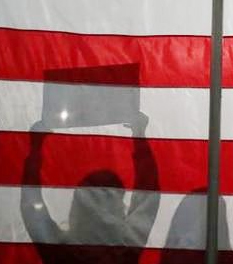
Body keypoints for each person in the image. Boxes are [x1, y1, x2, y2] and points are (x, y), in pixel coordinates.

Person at [21, 112, 159, 263]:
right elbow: (148, 194)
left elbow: (32, 206)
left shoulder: (60, 250)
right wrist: (139, 136)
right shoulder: (126, 251)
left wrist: (36, 148)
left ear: (77, 204)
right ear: (118, 207)